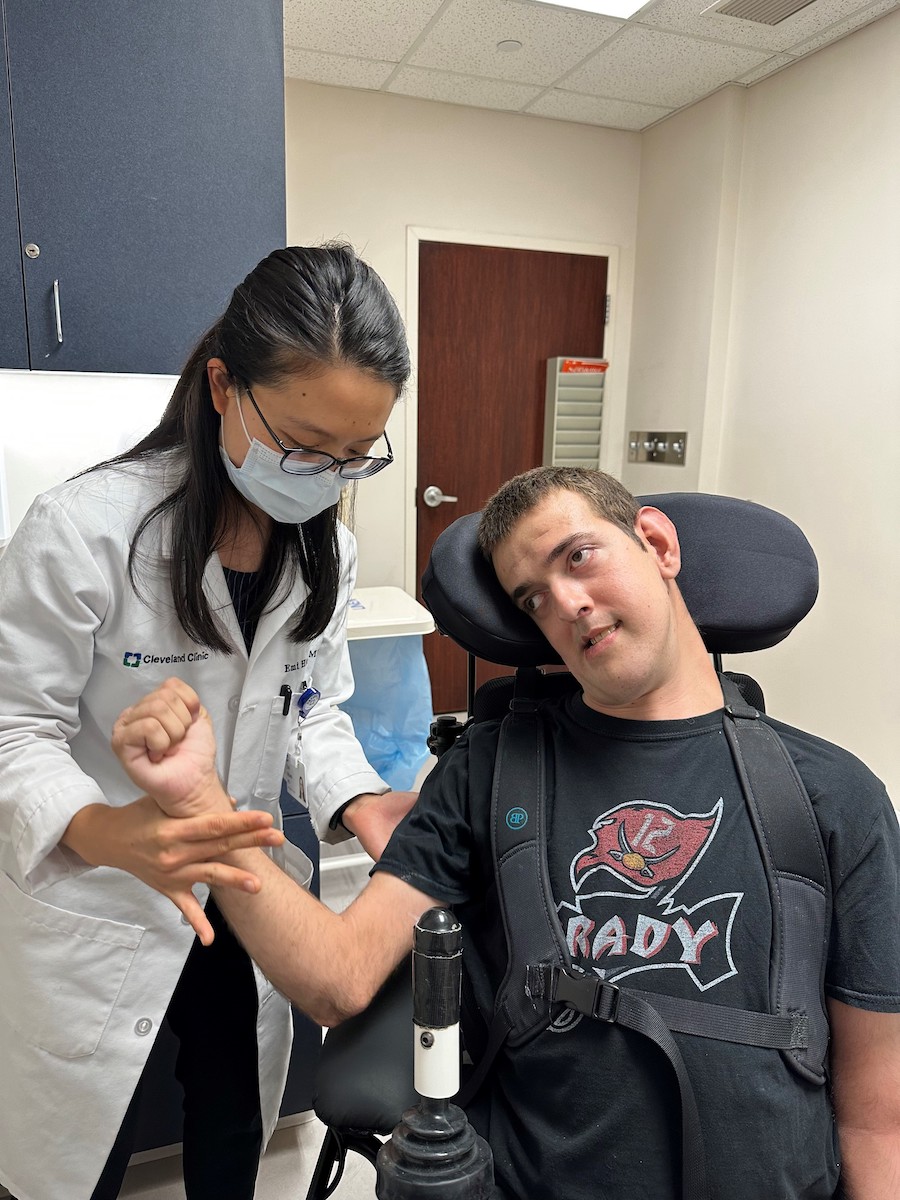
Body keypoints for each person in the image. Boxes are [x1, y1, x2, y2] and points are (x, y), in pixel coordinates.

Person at [110, 467, 900, 1200]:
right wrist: (201, 804)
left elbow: (876, 1119)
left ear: (656, 544)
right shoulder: (490, 772)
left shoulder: (831, 797)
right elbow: (338, 977)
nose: (566, 603)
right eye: (532, 599)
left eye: (580, 556)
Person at [0, 243, 418, 1200]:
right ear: (225, 385)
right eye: (308, 445)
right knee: (76, 1154)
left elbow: (314, 704)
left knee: (232, 1116)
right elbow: (12, 725)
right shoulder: (84, 530)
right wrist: (109, 831)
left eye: (356, 456)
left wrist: (360, 801)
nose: (327, 475)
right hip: (99, 886)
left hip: (240, 881)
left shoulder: (328, 555)